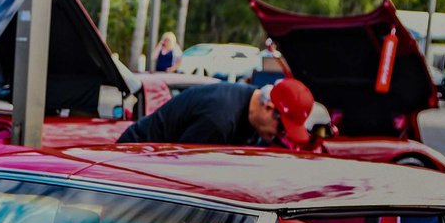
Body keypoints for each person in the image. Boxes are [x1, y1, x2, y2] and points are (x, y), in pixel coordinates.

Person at [117, 76, 317, 149]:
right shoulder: (219, 121)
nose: (280, 135)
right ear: (268, 108)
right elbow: (185, 174)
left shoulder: (252, 107)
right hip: (135, 159)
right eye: (282, 128)